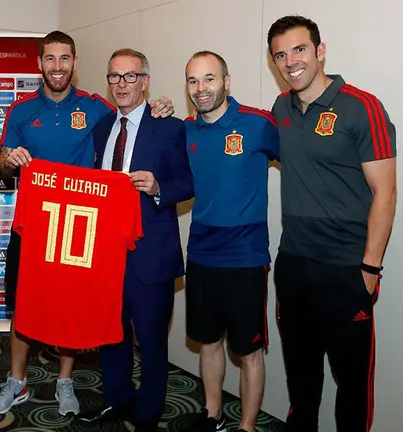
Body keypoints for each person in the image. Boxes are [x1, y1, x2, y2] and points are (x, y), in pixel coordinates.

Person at [0, 30, 176, 416]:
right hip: (34, 227)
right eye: (50, 58)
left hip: (79, 229)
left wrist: (159, 105)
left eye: (65, 58)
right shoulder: (21, 109)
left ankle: (65, 380)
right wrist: (10, 159)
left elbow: (133, 116)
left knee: (72, 302)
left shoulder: (96, 108)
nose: (57, 66)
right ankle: (17, 380)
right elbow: (1, 164)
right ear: (39, 63)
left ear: (75, 63)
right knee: (23, 302)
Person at [268, 15, 397, 431]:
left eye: (299, 50)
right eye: (280, 55)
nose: (291, 62)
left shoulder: (362, 107)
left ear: (320, 51)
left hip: (346, 270)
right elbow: (233, 125)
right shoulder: (281, 108)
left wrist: (370, 270)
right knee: (301, 381)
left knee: (352, 385)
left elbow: (385, 193)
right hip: (293, 266)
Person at [76, 48, 193, 432]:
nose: (122, 84)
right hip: (106, 254)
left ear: (145, 81)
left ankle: (149, 411)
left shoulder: (170, 127)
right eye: (114, 76)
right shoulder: (101, 128)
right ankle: (118, 398)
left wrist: (158, 187)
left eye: (130, 76)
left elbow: (188, 182)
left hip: (150, 255)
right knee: (111, 334)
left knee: (152, 339)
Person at [178, 51, 279, 432]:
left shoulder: (258, 124)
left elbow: (302, 161)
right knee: (207, 342)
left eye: (209, 78)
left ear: (226, 81)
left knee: (249, 350)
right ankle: (213, 415)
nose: (201, 88)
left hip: (245, 258)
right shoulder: (184, 130)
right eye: (193, 81)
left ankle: (247, 426)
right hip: (201, 254)